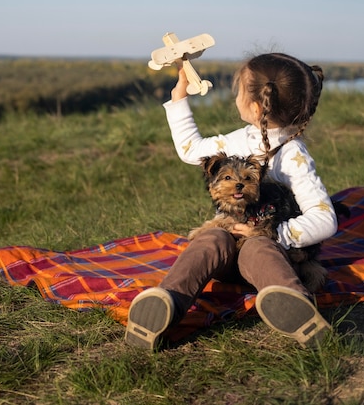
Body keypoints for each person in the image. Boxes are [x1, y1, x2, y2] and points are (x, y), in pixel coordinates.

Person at [125, 53, 338, 350]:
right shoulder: (239, 139)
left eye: (238, 90)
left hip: (268, 255)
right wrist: (179, 96)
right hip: (226, 251)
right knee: (210, 237)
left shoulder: (294, 156)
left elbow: (325, 220)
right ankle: (166, 302)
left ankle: (295, 306)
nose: (234, 96)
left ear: (255, 106)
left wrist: (273, 234)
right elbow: (192, 150)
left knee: (258, 246)